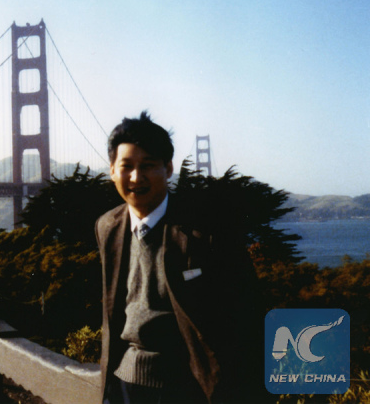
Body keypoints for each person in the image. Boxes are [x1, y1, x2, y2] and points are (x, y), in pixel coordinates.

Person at [95, 112, 264, 404]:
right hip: (123, 385)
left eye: (148, 166)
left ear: (168, 168)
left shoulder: (206, 231)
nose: (136, 178)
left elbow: (247, 312)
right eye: (126, 167)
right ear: (112, 170)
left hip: (189, 387)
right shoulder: (107, 227)